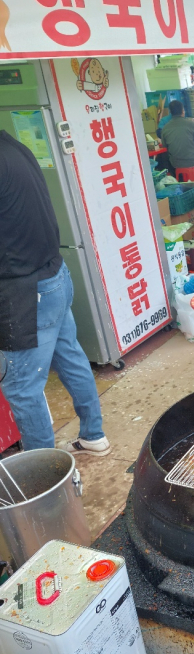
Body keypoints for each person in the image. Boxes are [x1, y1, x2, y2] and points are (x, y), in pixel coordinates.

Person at [0, 132, 110, 455]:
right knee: (71, 356)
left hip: (25, 293)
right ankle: (94, 434)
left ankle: (46, 477)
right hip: (55, 276)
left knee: (23, 389)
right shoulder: (15, 147)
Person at [160, 99, 194, 176]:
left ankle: (180, 181)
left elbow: (165, 148)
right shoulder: (190, 124)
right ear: (183, 111)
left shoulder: (165, 128)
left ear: (170, 113)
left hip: (175, 163)